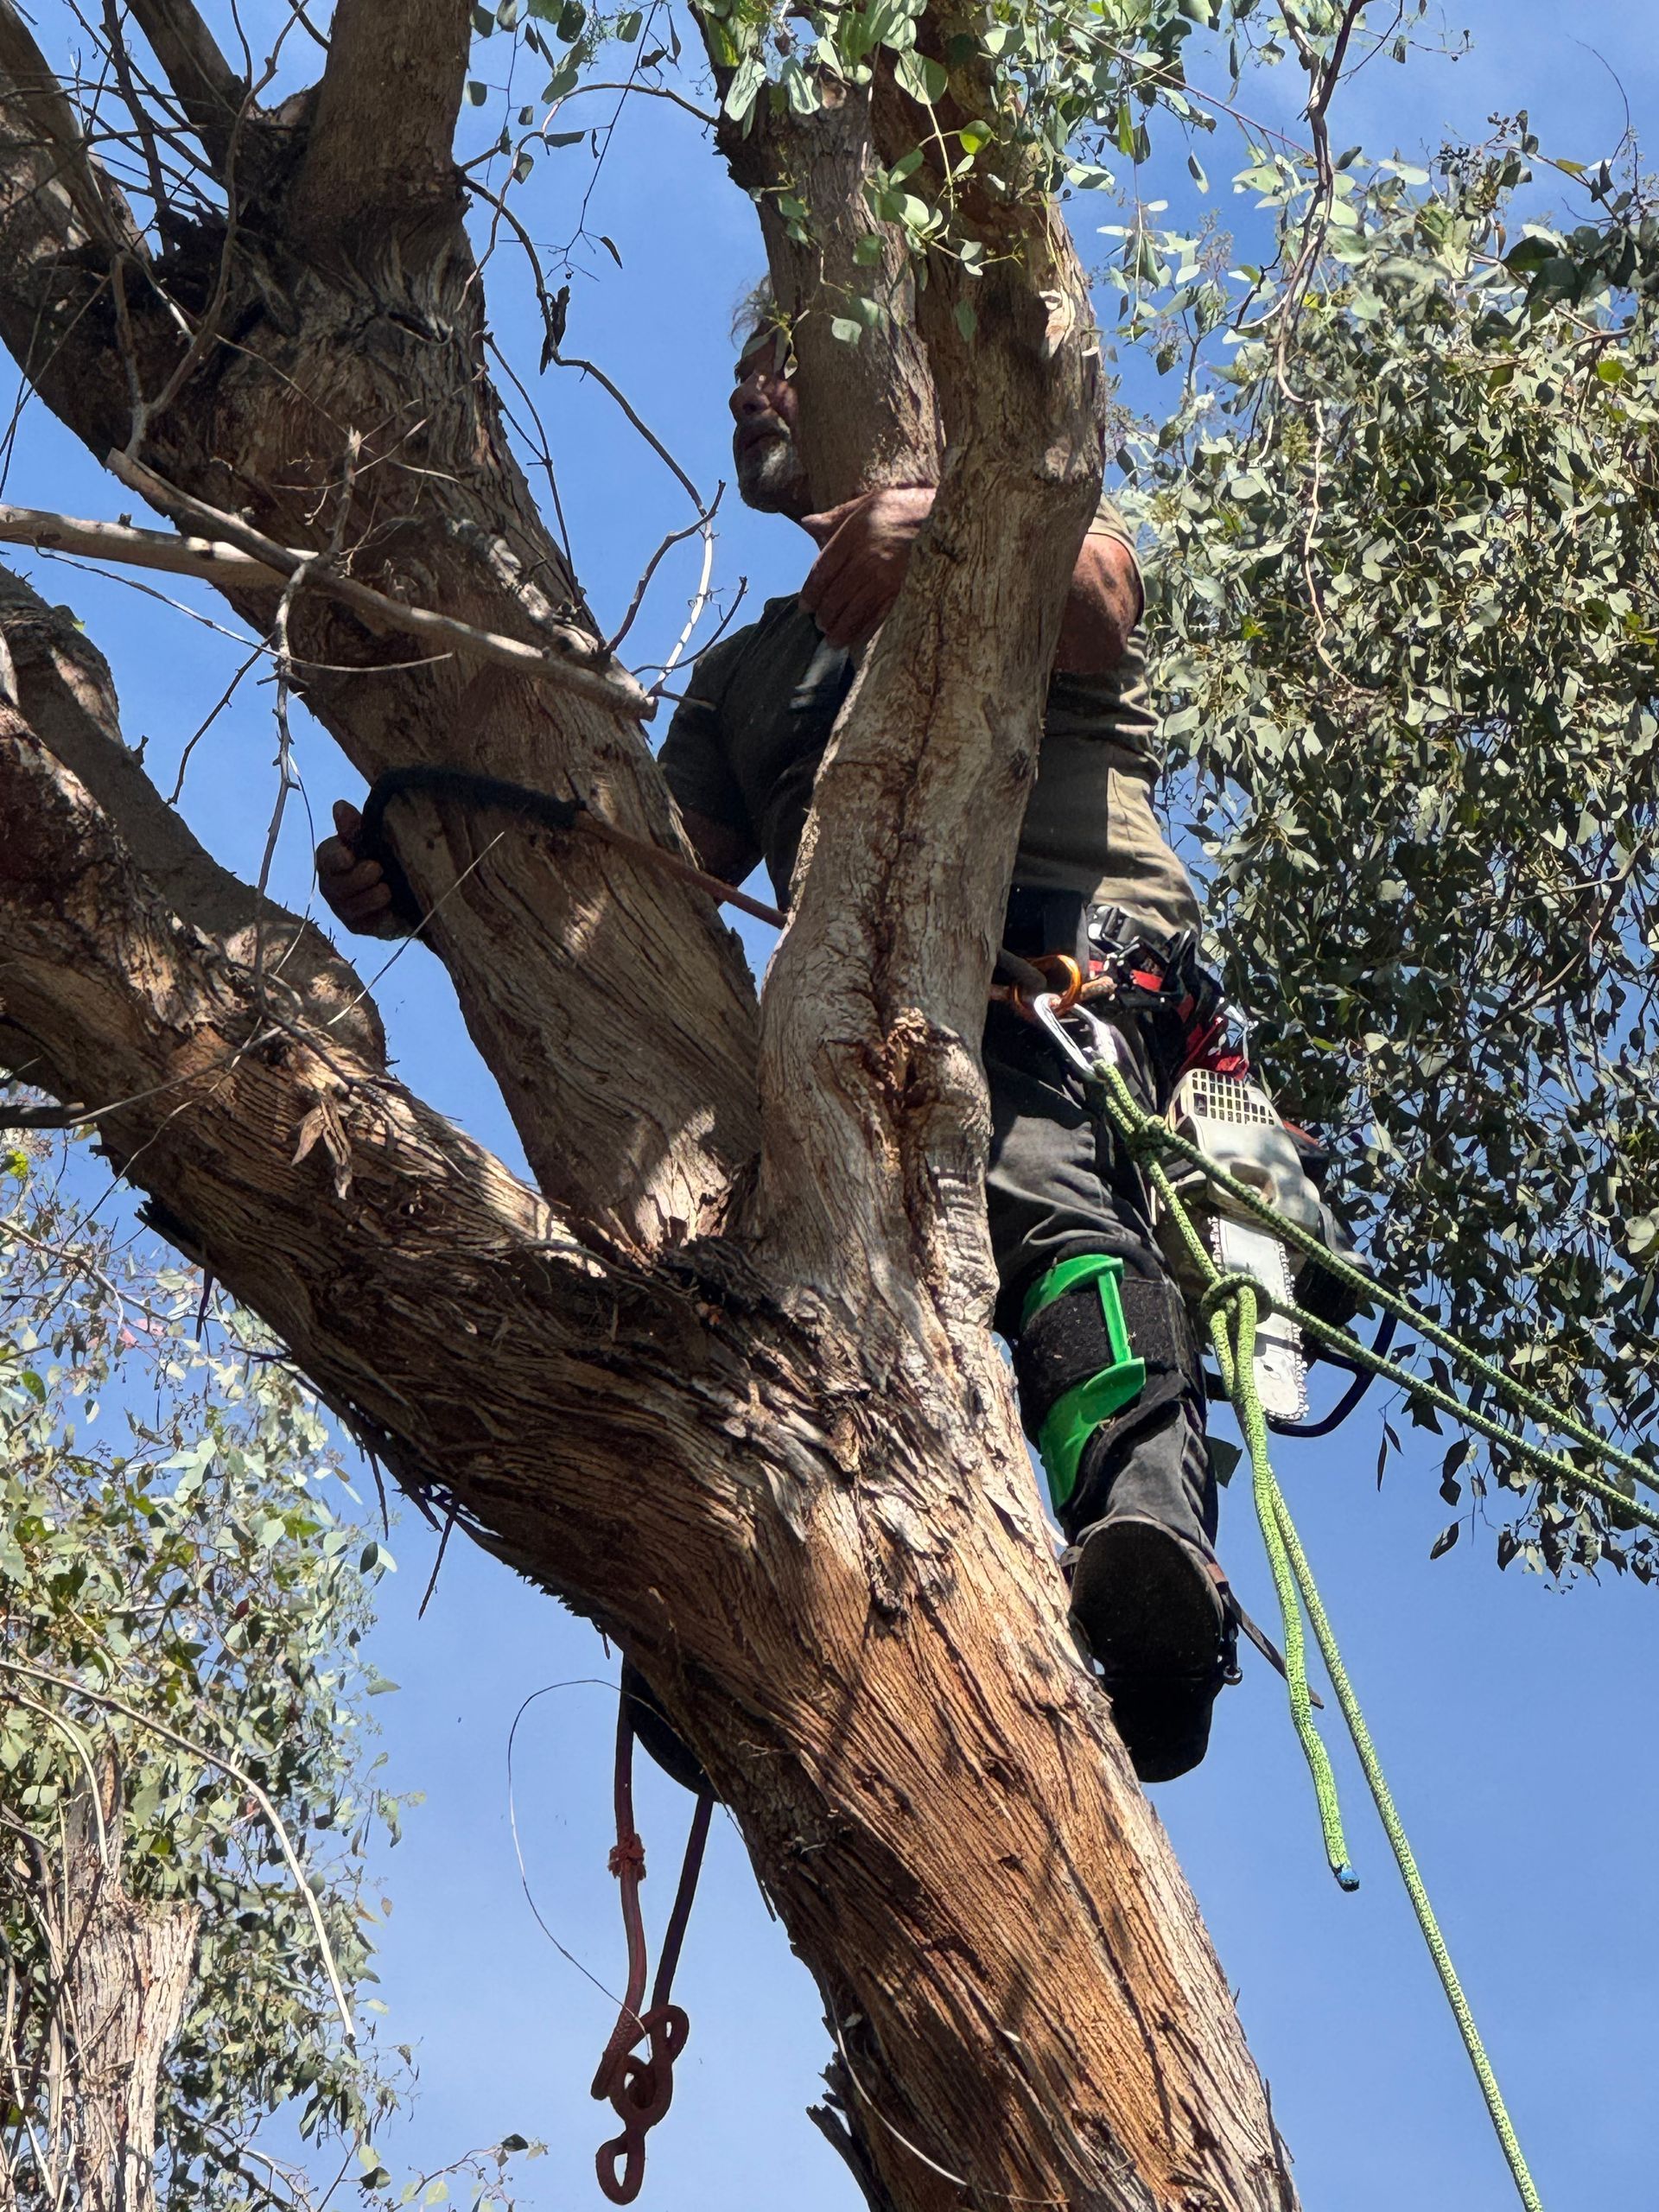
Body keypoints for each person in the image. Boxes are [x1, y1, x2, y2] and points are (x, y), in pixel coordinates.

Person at [318, 317, 1234, 1782]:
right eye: (738, 367)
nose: (750, 387)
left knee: (1037, 1181)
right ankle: (765, 1571)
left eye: (787, 360)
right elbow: (645, 877)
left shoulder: (1022, 508)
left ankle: (1151, 1554)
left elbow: (1100, 602)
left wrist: (931, 527)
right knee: (767, 1254)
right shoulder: (748, 675)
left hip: (1058, 964)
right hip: (854, 1016)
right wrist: (434, 889)